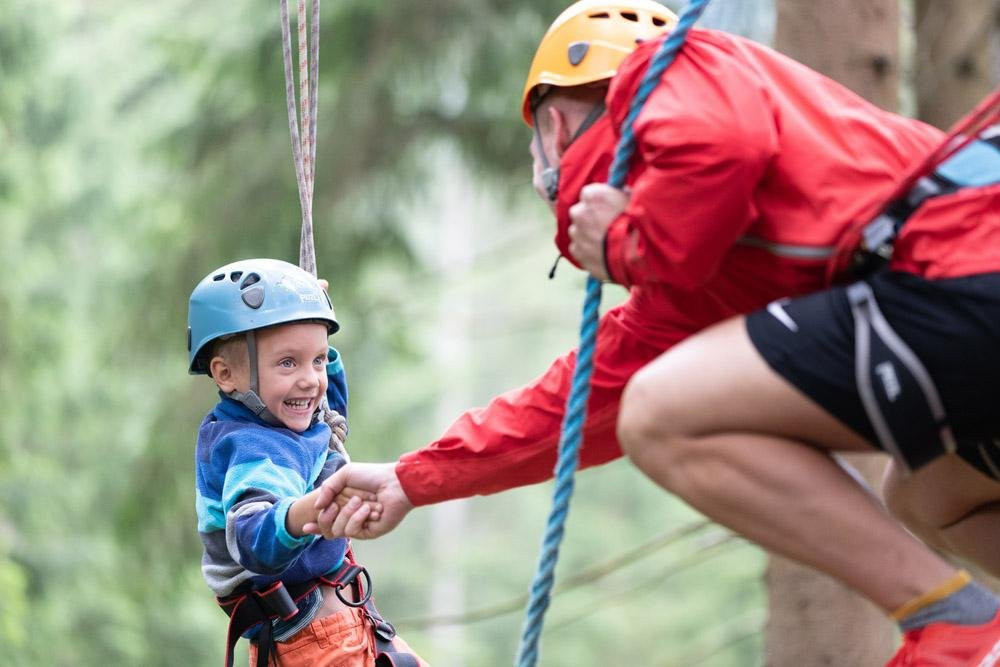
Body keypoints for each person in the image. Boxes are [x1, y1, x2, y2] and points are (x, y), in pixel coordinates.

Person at [309, 1, 1000, 663]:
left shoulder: (669, 71)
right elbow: (575, 405)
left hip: (960, 269)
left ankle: (948, 619)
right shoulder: (690, 275)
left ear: (554, 128)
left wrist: (629, 242)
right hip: (953, 305)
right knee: (929, 493)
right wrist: (413, 478)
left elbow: (726, 145)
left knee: (663, 410)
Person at [188, 258, 424, 667]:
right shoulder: (253, 448)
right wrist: (308, 512)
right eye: (288, 362)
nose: (312, 380)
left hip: (343, 625)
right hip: (313, 641)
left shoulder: (286, 421)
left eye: (317, 359)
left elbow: (329, 419)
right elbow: (253, 535)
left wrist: (309, 314)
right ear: (226, 374)